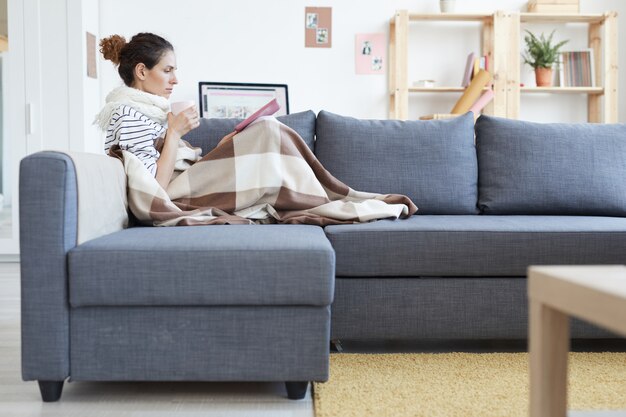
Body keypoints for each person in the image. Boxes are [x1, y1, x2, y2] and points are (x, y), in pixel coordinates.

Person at [95, 32, 200, 188]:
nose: (175, 80)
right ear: (142, 71)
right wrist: (174, 133)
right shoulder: (129, 116)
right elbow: (155, 189)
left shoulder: (152, 114)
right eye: (167, 70)